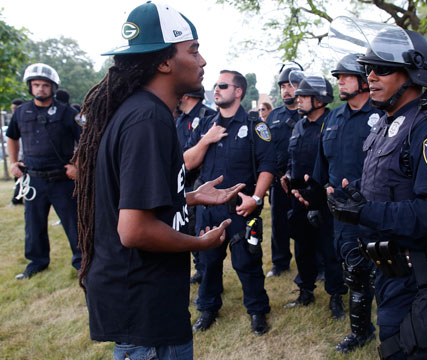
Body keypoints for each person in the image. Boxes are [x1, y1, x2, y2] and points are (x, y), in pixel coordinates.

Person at [71, 3, 243, 359]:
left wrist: (189, 197)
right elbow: (133, 230)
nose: (203, 61)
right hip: (144, 313)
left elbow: (133, 197)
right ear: (165, 61)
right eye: (193, 50)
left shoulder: (144, 111)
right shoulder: (146, 118)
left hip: (151, 304)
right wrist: (201, 243)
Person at [326, 20, 427, 359]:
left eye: (382, 69)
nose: (370, 76)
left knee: (409, 349)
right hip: (389, 269)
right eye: (368, 69)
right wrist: (358, 194)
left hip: (417, 278)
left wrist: (366, 212)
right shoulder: (388, 123)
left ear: (412, 74)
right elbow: (393, 182)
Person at [300, 53, 384, 353]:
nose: (339, 81)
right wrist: (316, 197)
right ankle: (362, 331)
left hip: (375, 209)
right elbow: (323, 162)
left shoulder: (383, 114)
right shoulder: (333, 117)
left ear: (364, 79)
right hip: (340, 210)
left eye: (345, 76)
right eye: (337, 77)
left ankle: (387, 326)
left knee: (381, 269)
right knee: (353, 270)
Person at [184, 70, 276, 335]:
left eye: (223, 85)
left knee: (247, 262)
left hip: (240, 209)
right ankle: (208, 308)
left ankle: (258, 310)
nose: (216, 89)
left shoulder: (256, 125)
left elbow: (268, 165)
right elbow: (188, 161)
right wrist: (206, 139)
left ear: (238, 92)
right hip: (206, 209)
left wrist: (256, 198)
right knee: (207, 262)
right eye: (215, 85)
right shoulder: (205, 125)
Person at [6, 63, 82, 279]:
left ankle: (81, 262)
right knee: (34, 225)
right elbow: (12, 136)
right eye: (36, 85)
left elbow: (86, 140)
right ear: (30, 87)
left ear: (53, 87)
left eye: (45, 85)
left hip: (62, 179)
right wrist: (13, 162)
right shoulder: (21, 112)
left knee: (74, 224)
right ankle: (37, 262)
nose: (40, 89)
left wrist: (77, 165)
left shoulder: (68, 112)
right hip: (34, 180)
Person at [280, 74, 347, 318]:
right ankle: (305, 291)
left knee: (330, 250)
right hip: (298, 199)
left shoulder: (334, 123)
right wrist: (288, 175)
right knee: (302, 248)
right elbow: (293, 158)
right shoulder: (298, 126)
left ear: (319, 99)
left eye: (303, 96)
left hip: (324, 198)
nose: (298, 100)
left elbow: (337, 161)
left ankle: (336, 296)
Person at [263, 64, 303, 278]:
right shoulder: (273, 116)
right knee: (278, 224)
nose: (286, 90)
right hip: (279, 180)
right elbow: (266, 149)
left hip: (302, 180)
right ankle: (280, 263)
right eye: (283, 86)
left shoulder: (309, 112)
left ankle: (316, 263)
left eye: (291, 85)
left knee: (307, 224)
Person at [176, 86, 217, 285]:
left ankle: (203, 269)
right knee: (185, 226)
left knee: (197, 225)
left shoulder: (208, 117)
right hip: (181, 181)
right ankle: (198, 266)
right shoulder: (180, 119)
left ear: (186, 95)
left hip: (199, 181)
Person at [8, 98, 25, 205]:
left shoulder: (25, 119)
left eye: (15, 108)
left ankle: (17, 200)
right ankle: (17, 199)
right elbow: (11, 139)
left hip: (25, 157)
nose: (13, 110)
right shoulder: (15, 120)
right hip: (19, 157)